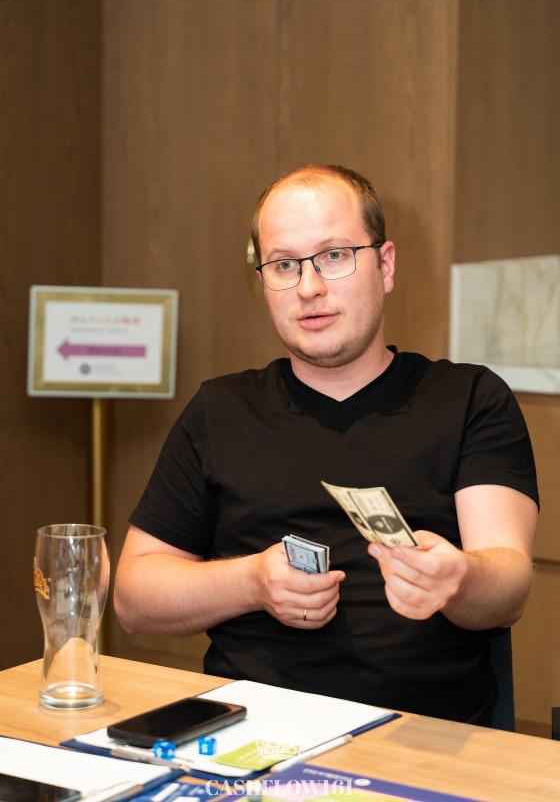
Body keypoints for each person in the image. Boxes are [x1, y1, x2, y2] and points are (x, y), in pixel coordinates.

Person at [114, 164, 538, 725]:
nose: (309, 287)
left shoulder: (468, 399)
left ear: (385, 265)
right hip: (252, 733)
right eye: (284, 265)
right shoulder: (221, 410)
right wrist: (252, 582)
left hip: (426, 737)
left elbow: (509, 582)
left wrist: (458, 579)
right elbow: (133, 598)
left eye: (335, 255)